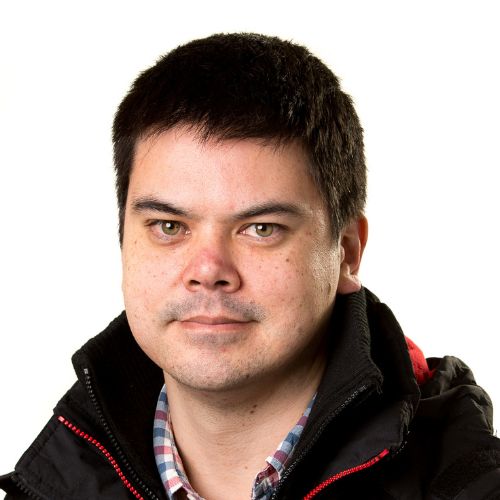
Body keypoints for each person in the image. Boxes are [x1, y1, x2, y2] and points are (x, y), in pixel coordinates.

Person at [1, 32, 499, 500]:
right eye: (169, 226)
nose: (208, 270)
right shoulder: (51, 483)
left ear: (347, 252)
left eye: (261, 228)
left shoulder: (470, 484)